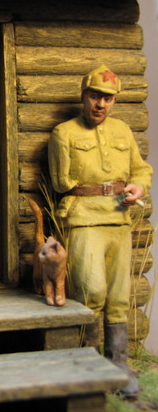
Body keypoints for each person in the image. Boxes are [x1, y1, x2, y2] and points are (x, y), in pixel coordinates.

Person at [48, 65, 153, 397]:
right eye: (95, 96)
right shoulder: (64, 133)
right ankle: (89, 362)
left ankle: (119, 363)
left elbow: (141, 169)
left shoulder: (122, 131)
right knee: (91, 290)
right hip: (83, 218)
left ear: (114, 101)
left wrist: (138, 186)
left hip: (119, 218)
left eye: (108, 99)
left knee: (119, 295)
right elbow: (61, 181)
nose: (100, 104)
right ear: (84, 96)